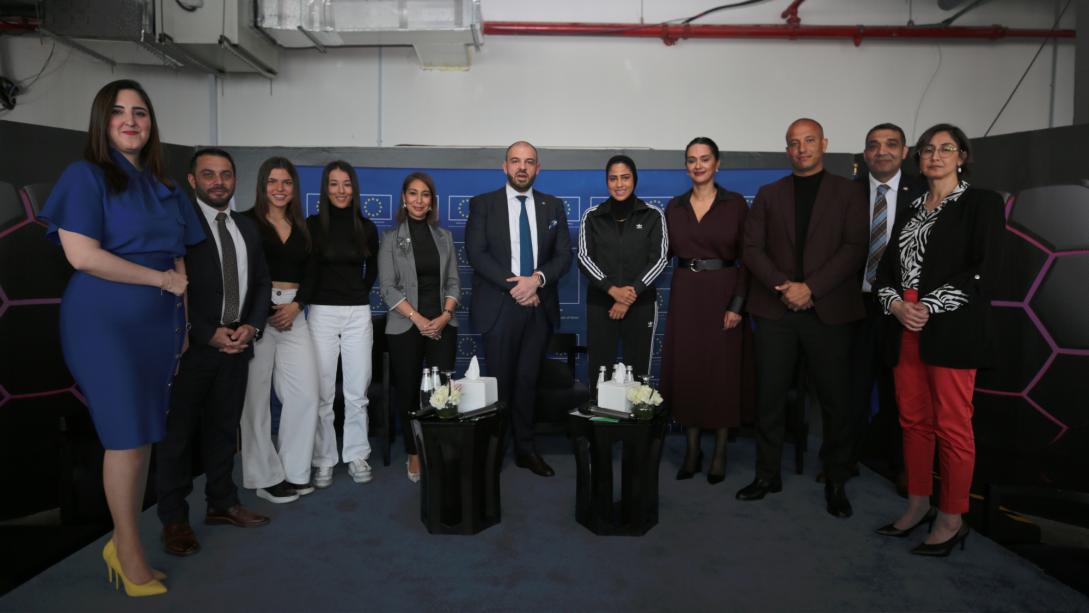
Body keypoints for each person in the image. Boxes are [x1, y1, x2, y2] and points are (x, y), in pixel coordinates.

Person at [39, 79, 201, 596]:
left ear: (151, 124)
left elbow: (179, 260)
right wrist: (159, 282)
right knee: (125, 435)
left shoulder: (165, 187)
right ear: (101, 122)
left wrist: (184, 322)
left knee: (144, 435)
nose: (130, 121)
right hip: (104, 322)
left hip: (160, 324)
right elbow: (82, 256)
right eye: (118, 112)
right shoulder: (85, 176)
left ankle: (125, 541)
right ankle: (126, 549)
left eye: (140, 113)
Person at [873, 123, 1004, 556]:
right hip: (904, 325)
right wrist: (895, 305)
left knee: (953, 426)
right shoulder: (911, 206)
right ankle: (917, 504)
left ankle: (952, 517)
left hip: (951, 327)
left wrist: (929, 305)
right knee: (912, 422)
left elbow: (984, 269)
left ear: (962, 156)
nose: (936, 156)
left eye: (947, 148)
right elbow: (886, 273)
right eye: (929, 149)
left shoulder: (981, 203)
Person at [737, 118, 868, 518]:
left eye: (809, 141)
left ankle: (835, 477)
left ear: (824, 144)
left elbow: (853, 247)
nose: (802, 149)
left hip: (828, 310)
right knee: (770, 397)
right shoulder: (768, 194)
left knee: (835, 401)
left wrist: (811, 288)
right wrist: (786, 286)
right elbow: (752, 248)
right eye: (794, 143)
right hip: (776, 310)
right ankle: (767, 474)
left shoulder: (848, 193)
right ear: (787, 149)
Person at [156, 147, 272, 556]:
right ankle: (174, 519)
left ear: (235, 180)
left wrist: (251, 327)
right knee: (179, 437)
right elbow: (171, 284)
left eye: (225, 174)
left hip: (238, 346)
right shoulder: (177, 225)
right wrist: (207, 333)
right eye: (208, 174)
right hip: (192, 348)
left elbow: (261, 282)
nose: (218, 182)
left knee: (224, 429)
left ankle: (222, 502)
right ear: (193, 181)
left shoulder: (246, 226)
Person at [465, 140, 572, 477]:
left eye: (529, 162)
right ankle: (495, 450)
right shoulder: (483, 204)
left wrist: (536, 280)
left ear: (538, 168)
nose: (522, 167)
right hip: (500, 305)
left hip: (538, 306)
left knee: (528, 381)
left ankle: (526, 450)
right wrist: (518, 286)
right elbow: (477, 254)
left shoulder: (553, 206)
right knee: (500, 383)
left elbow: (563, 256)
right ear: (504, 166)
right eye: (515, 161)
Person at [837, 123, 926, 491]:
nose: (881, 151)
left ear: (905, 151)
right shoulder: (846, 193)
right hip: (854, 305)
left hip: (904, 309)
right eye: (873, 145)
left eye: (891, 144)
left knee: (902, 392)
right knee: (849, 390)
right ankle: (843, 460)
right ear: (864, 153)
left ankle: (902, 465)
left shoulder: (924, 191)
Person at [658, 138, 750, 484]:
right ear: (686, 166)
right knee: (690, 371)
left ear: (717, 164)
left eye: (705, 159)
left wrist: (738, 305)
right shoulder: (675, 207)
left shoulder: (736, 205)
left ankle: (720, 451)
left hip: (724, 293)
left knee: (723, 373)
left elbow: (749, 259)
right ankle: (693, 448)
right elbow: (658, 254)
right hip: (686, 294)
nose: (698, 165)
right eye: (692, 160)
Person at [238, 157, 320, 503]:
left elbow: (314, 273)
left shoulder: (305, 226)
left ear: (294, 187)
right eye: (273, 182)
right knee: (255, 400)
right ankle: (263, 477)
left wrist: (296, 305)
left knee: (306, 393)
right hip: (257, 315)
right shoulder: (245, 222)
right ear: (262, 185)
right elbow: (241, 272)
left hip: (294, 313)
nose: (279, 189)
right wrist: (265, 310)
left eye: (286, 182)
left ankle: (294, 471)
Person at [378, 172, 460, 482]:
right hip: (405, 326)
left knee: (442, 393)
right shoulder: (389, 239)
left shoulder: (444, 238)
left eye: (425, 195)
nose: (418, 200)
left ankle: (438, 449)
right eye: (413, 194)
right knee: (410, 393)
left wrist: (442, 316)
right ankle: (414, 453)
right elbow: (387, 288)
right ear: (404, 198)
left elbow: (453, 282)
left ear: (431, 202)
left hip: (442, 323)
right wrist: (419, 320)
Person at [307, 161, 380, 488]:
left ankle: (356, 454)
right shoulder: (311, 225)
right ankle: (323, 459)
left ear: (354, 188)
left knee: (356, 391)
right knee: (323, 392)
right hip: (321, 313)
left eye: (346, 184)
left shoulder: (365, 226)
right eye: (334, 184)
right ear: (326, 188)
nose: (340, 190)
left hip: (357, 314)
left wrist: (358, 294)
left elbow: (373, 268)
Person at [576, 154, 667, 392]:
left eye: (625, 177)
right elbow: (584, 259)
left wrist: (629, 295)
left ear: (634, 180)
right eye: (613, 178)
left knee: (638, 372)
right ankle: (601, 427)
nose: (619, 184)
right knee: (600, 370)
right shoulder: (592, 216)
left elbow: (659, 259)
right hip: (601, 303)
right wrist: (612, 291)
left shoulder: (653, 215)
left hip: (640, 304)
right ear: (607, 182)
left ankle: (636, 428)